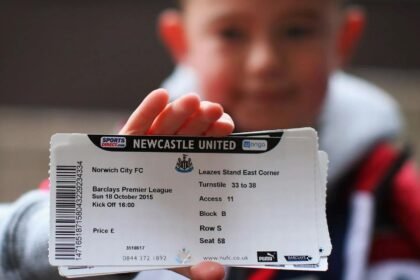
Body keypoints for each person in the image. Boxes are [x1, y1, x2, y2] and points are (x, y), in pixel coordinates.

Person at [1, 0, 419, 279]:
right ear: (181, 41)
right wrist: (94, 234)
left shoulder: (397, 200)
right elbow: (17, 242)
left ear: (343, 39)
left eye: (297, 31)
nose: (265, 63)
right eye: (231, 34)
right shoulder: (129, 168)